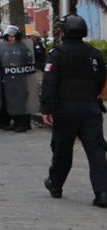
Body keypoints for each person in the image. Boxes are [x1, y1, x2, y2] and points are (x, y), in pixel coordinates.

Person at [41, 15, 107, 208]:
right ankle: (102, 192)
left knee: (62, 149)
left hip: (65, 108)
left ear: (64, 31)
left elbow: (49, 83)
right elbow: (101, 78)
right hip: (90, 108)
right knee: (96, 151)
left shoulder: (56, 54)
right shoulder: (94, 54)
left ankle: (56, 185)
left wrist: (47, 108)